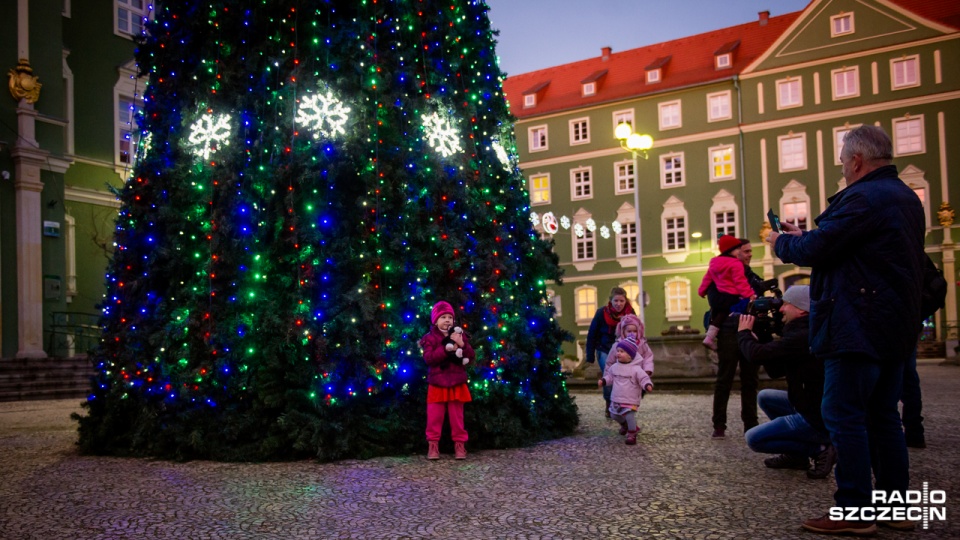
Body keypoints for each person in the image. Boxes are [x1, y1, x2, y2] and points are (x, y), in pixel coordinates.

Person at [768, 125, 925, 535]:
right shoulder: (905, 197)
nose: (842, 169)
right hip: (893, 324)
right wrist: (811, 235)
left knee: (843, 414)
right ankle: (896, 509)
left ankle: (855, 511)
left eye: (842, 162)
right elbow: (850, 246)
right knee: (884, 416)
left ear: (856, 161)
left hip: (856, 322)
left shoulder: (864, 196)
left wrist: (782, 243)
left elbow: (816, 251)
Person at [738, 285, 836, 480]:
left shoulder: (802, 336)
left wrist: (743, 334)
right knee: (766, 396)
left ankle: (820, 448)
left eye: (786, 305)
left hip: (814, 415)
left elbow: (756, 355)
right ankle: (796, 456)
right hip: (810, 403)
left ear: (801, 309)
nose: (781, 309)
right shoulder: (805, 330)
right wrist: (763, 336)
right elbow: (775, 370)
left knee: (754, 439)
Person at [710, 239, 765, 439]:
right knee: (725, 377)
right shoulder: (721, 272)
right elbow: (716, 300)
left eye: (751, 251)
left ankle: (751, 424)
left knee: (750, 379)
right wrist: (743, 298)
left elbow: (758, 296)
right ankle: (719, 424)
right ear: (735, 253)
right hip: (728, 329)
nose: (750, 254)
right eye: (746, 251)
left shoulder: (750, 275)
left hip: (749, 327)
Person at [419, 301, 474, 460]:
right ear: (435, 320)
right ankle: (433, 446)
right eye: (443, 317)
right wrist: (445, 349)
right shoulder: (429, 338)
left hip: (456, 382)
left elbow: (470, 356)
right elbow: (429, 358)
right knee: (434, 417)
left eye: (450, 317)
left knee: (457, 418)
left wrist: (462, 344)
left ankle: (460, 445)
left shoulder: (459, 334)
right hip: (437, 383)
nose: (447, 320)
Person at [698, 235, 757, 350]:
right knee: (746, 308)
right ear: (732, 250)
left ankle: (709, 337)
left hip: (718, 297)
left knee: (720, 315)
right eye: (738, 249)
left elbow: (707, 278)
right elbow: (740, 282)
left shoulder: (714, 262)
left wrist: (702, 291)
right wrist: (749, 295)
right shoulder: (735, 264)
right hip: (732, 296)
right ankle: (749, 332)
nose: (740, 251)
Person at [586, 287, 636, 416]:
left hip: (623, 349)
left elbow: (636, 332)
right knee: (609, 375)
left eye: (621, 301)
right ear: (611, 301)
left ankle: (622, 403)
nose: (618, 304)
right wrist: (590, 355)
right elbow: (592, 334)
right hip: (604, 348)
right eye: (616, 301)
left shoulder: (630, 313)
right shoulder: (601, 313)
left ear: (625, 301)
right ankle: (609, 402)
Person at [599, 339, 654, 445]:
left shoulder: (636, 369)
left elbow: (643, 378)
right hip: (616, 397)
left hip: (630, 398)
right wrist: (604, 381)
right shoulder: (615, 367)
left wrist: (647, 385)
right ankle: (625, 425)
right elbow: (610, 376)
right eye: (618, 351)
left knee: (629, 415)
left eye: (622, 351)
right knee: (614, 415)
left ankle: (632, 434)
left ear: (630, 356)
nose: (618, 353)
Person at [605, 313, 654, 378]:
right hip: (622, 377)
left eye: (635, 331)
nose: (632, 334)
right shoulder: (618, 345)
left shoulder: (642, 344)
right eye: (629, 331)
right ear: (623, 331)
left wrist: (647, 370)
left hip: (639, 376)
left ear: (638, 331)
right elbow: (610, 362)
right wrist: (607, 377)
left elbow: (648, 357)